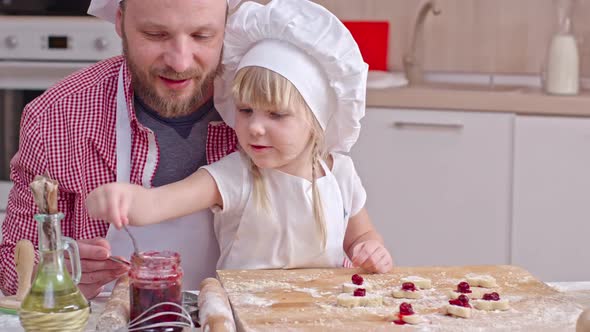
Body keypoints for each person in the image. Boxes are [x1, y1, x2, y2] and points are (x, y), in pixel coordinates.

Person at [87, 0, 394, 273]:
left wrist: (370, 250)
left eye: (276, 114)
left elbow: (363, 235)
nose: (255, 127)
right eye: (246, 110)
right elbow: (156, 204)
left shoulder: (339, 172)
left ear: (315, 120)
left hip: (316, 312)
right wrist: (120, 199)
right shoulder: (236, 175)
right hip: (243, 315)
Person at [0, 0, 237, 299]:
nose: (180, 62)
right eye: (155, 34)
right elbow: (12, 264)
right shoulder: (57, 115)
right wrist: (52, 271)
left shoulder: (271, 112)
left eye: (202, 36)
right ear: (120, 22)